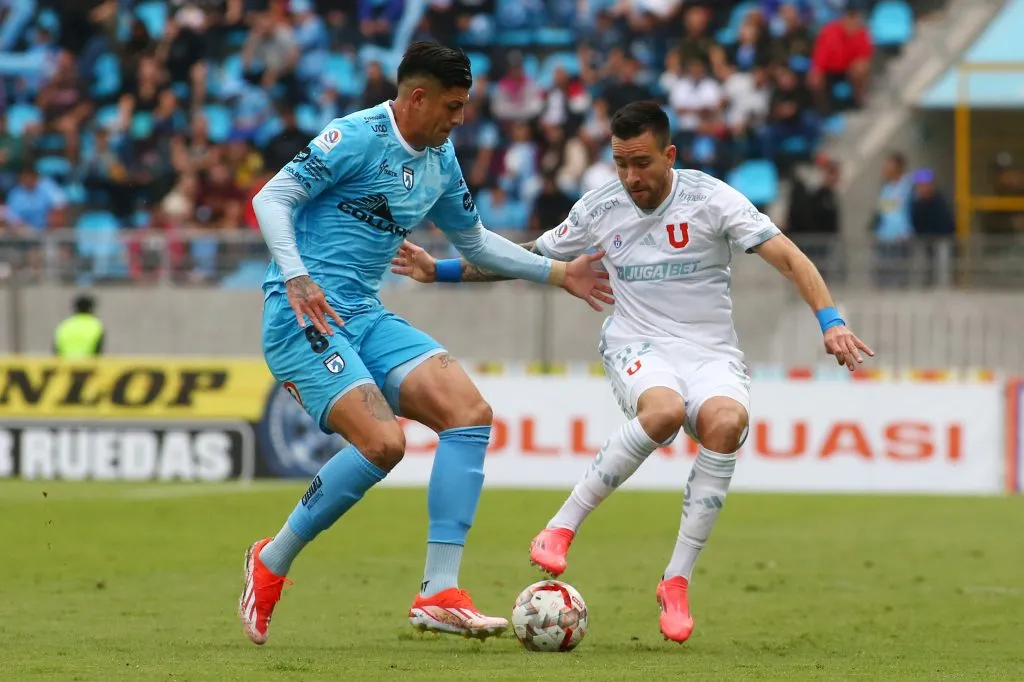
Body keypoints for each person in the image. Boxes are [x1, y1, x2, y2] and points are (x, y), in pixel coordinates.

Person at [391, 101, 873, 644]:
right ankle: (561, 526)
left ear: (670, 155)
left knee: (726, 424)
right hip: (637, 342)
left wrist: (831, 321)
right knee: (663, 411)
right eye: (620, 163)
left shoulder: (712, 199)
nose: (630, 176)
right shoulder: (600, 207)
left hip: (710, 351)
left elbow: (791, 258)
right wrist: (441, 270)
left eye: (641, 163)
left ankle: (676, 581)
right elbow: (528, 256)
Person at [240, 41, 610, 646]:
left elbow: (476, 241)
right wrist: (297, 276)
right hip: (301, 313)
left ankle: (439, 591)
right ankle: (271, 560)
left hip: (364, 314)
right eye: (453, 106)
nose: (460, 119)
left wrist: (558, 273)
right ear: (417, 98)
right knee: (384, 443)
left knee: (469, 413)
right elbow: (271, 197)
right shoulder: (355, 136)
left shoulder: (441, 159)